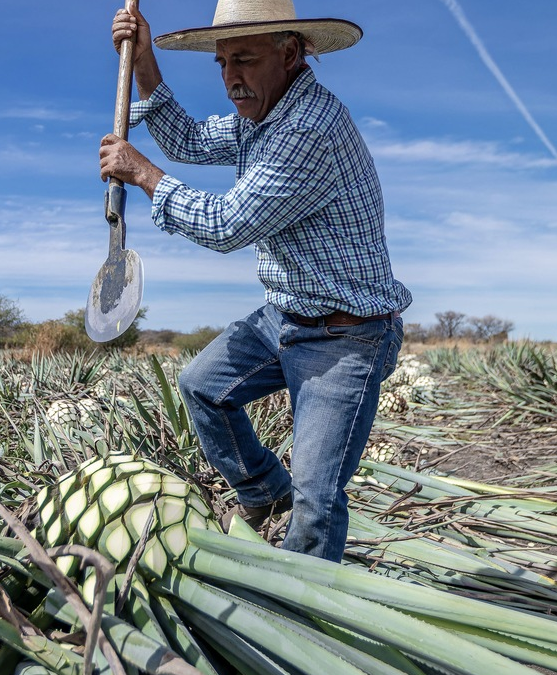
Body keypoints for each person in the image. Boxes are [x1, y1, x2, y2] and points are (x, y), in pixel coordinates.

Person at [99, 0, 412, 563]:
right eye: (221, 63)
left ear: (289, 53)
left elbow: (226, 225)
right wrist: (144, 59)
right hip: (286, 314)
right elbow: (189, 141)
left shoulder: (307, 129)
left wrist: (141, 173)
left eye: (243, 59)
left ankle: (300, 604)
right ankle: (265, 489)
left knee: (316, 501)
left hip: (347, 334)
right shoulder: (260, 118)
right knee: (202, 386)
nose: (229, 78)